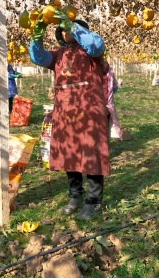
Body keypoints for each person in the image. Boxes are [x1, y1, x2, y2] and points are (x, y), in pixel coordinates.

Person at [29, 12, 110, 220]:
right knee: (70, 153)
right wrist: (36, 36)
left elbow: (96, 44)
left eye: (69, 29)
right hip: (66, 111)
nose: (66, 33)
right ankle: (75, 196)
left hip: (89, 109)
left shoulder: (92, 52)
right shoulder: (58, 55)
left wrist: (72, 24)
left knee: (91, 154)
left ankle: (94, 201)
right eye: (63, 30)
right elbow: (38, 56)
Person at [102, 61, 122, 140]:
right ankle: (106, 143)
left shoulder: (93, 70)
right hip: (107, 104)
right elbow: (115, 88)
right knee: (106, 126)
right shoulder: (110, 71)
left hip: (98, 104)